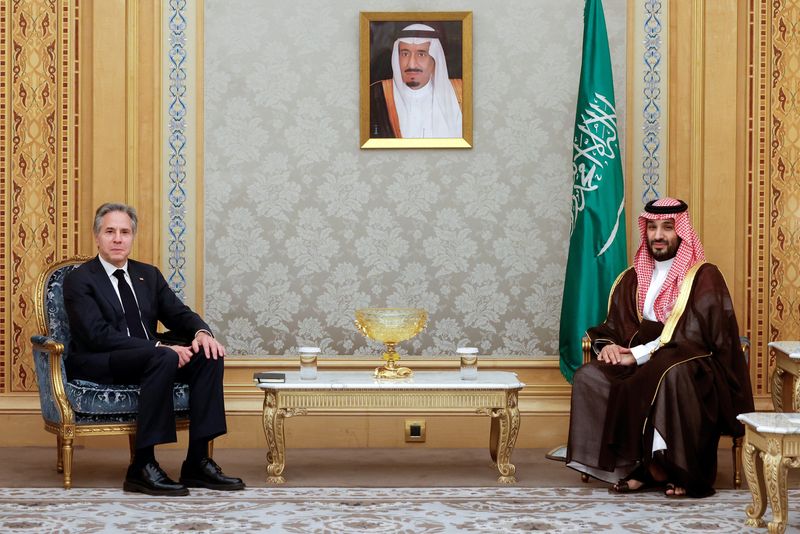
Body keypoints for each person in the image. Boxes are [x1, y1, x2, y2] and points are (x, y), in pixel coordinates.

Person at [565, 197, 754, 498]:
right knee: (590, 374)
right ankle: (630, 464)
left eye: (667, 227)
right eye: (652, 227)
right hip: (643, 356)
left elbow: (692, 335)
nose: (658, 235)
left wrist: (638, 356)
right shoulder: (632, 277)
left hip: (694, 361)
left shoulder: (704, 276)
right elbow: (616, 325)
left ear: (681, 230)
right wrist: (611, 348)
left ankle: (672, 468)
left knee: (671, 373)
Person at [63, 203, 244, 496]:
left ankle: (198, 461)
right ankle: (142, 466)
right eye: (110, 231)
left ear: (133, 237)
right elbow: (97, 335)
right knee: (161, 355)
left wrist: (201, 333)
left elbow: (179, 313)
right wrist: (159, 347)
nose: (118, 238)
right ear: (97, 236)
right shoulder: (81, 280)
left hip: (150, 357)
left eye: (125, 232)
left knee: (209, 354)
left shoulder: (147, 274)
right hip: (101, 361)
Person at [369, 23, 463, 138]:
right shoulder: (375, 95)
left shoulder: (460, 94)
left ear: (435, 59)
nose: (411, 63)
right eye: (405, 54)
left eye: (421, 54)